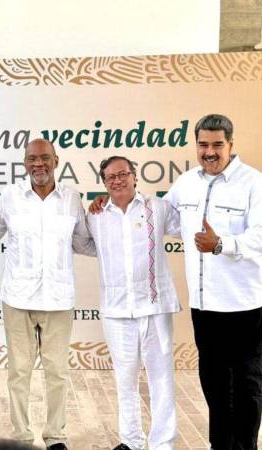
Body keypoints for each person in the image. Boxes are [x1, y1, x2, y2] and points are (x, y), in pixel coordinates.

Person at [163, 114, 262, 450]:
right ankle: (221, 446)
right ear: (196, 144)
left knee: (246, 383)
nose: (209, 151)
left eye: (216, 144)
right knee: (213, 382)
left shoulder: (254, 183)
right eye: (203, 144)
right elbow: (161, 217)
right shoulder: (186, 183)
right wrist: (116, 202)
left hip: (245, 304)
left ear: (230, 144)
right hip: (205, 304)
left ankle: (245, 447)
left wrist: (222, 244)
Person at [0, 138, 91, 450]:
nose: (38, 164)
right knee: (19, 372)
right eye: (32, 158)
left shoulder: (72, 199)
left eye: (44, 158)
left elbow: (84, 241)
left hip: (58, 299)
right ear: (24, 163)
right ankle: (21, 437)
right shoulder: (9, 197)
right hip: (18, 298)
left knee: (57, 372)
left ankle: (56, 436)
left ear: (56, 161)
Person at [86, 156, 180, 450]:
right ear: (104, 183)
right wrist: (95, 203)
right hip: (116, 310)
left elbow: (186, 229)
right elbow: (82, 243)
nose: (118, 180)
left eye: (123, 174)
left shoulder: (159, 207)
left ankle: (163, 443)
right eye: (111, 177)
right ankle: (131, 442)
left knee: (161, 379)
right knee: (124, 380)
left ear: (135, 176)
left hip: (155, 307)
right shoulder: (95, 215)